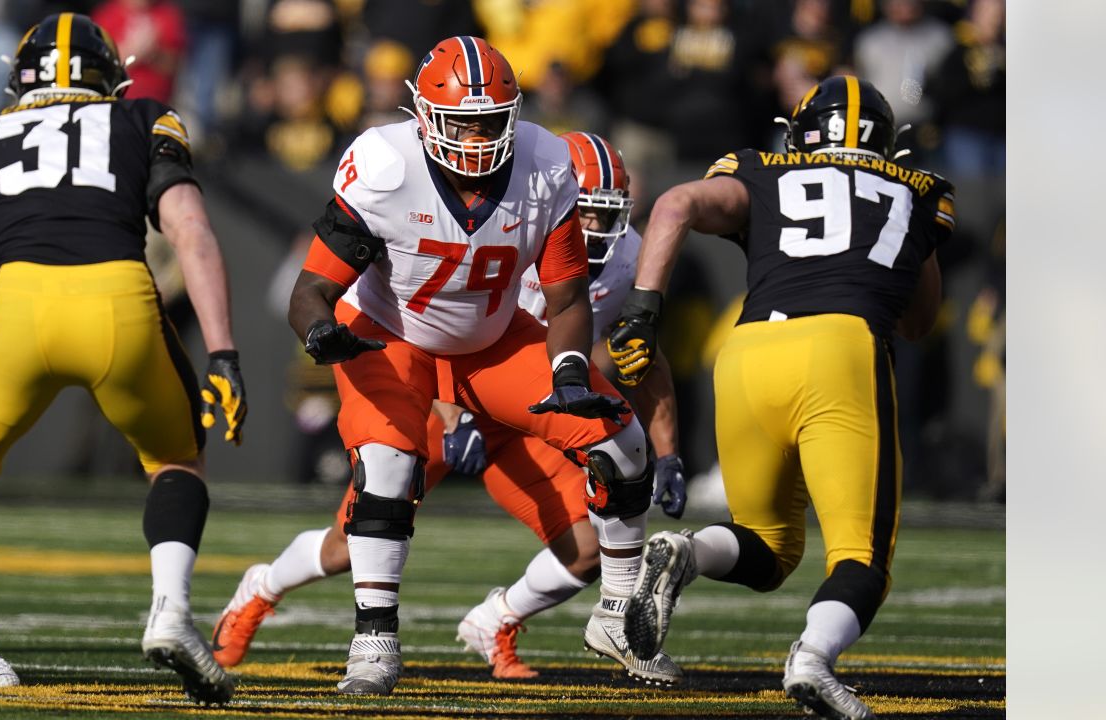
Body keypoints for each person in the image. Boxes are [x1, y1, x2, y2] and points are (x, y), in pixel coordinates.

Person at [212, 131, 688, 684]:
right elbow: (439, 325)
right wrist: (451, 414)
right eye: (584, 214)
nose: (595, 231)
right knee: (356, 535)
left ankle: (499, 620)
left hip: (521, 399)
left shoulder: (625, 254)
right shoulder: (509, 218)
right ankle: (264, 587)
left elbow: (641, 355)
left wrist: (667, 451)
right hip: (442, 392)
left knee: (586, 547)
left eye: (607, 217)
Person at [285, 37, 658, 696]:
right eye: (463, 121)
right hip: (389, 331)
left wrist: (569, 369)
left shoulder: (545, 165)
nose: (479, 136)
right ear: (424, 116)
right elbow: (311, 288)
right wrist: (319, 332)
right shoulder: (384, 165)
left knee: (624, 442)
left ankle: (618, 612)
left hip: (493, 338)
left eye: (492, 120)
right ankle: (374, 640)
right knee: (390, 467)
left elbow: (568, 296)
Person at [608, 75, 954, 720]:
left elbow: (676, 203)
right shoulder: (918, 189)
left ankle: (685, 552)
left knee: (769, 550)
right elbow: (918, 322)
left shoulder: (760, 168)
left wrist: (642, 311)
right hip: (842, 350)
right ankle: (813, 660)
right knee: (861, 557)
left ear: (800, 134)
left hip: (745, 353)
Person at [0, 13, 246, 706]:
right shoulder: (141, 119)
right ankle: (170, 612)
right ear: (109, 79)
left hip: (17, 308)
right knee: (175, 462)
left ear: (20, 81)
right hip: (118, 302)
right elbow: (191, 230)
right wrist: (222, 351)